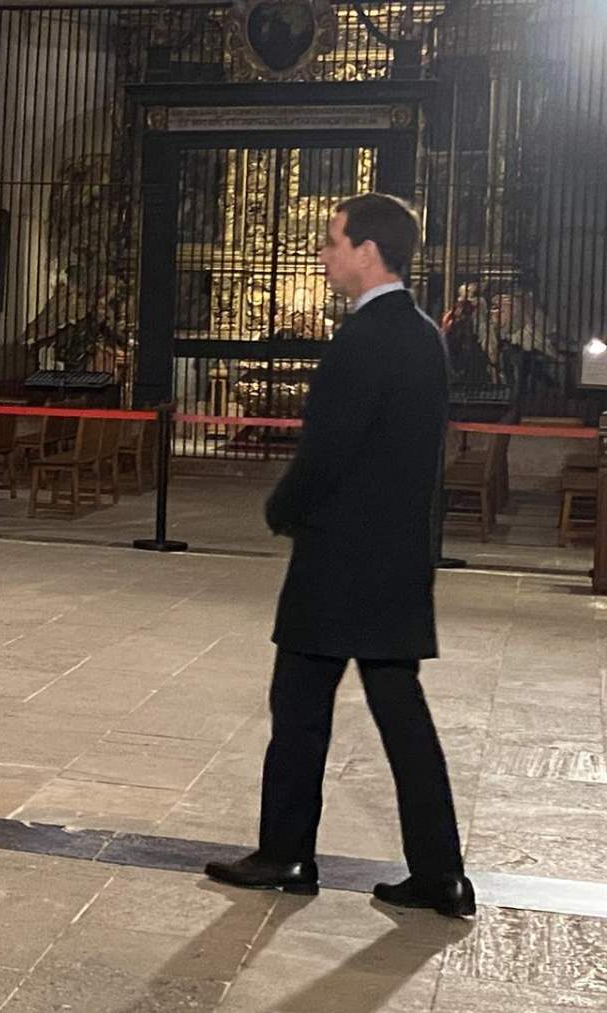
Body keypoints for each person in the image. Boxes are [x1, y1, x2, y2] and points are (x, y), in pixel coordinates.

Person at [204, 192, 475, 918]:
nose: (324, 255)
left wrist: (281, 507)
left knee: (297, 710)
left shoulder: (363, 339)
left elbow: (326, 451)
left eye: (332, 241)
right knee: (402, 717)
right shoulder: (422, 333)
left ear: (367, 249)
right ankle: (441, 870)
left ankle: (285, 852)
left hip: (337, 562)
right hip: (395, 561)